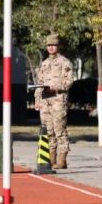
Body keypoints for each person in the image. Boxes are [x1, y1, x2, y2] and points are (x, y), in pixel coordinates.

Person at [34, 33, 74, 169]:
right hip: (45, 101)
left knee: (59, 130)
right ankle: (51, 159)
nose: (51, 47)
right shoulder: (44, 64)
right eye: (49, 45)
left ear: (59, 46)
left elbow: (69, 82)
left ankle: (62, 160)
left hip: (58, 101)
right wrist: (37, 99)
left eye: (54, 45)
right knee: (48, 131)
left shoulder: (65, 62)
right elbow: (39, 83)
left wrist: (55, 87)